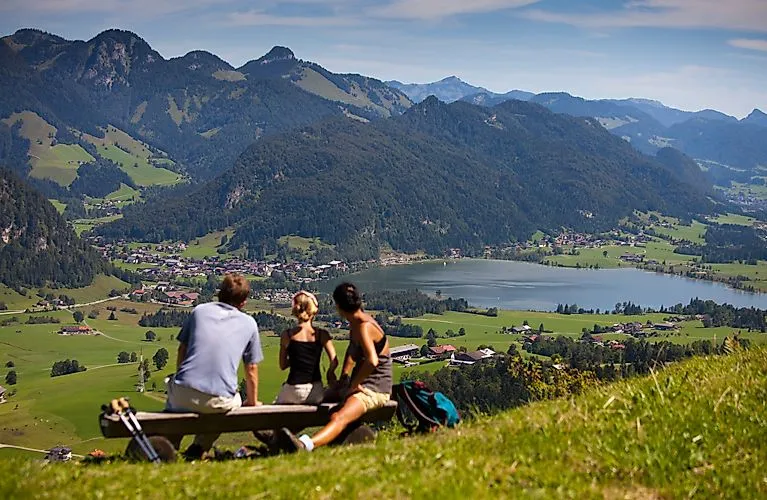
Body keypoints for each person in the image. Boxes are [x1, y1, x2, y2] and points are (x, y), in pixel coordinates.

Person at [278, 282, 392, 452]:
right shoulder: (357, 323)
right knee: (319, 399)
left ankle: (305, 445)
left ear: (339, 307)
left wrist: (354, 386)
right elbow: (352, 352)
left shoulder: (364, 327)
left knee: (339, 416)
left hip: (374, 389)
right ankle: (282, 438)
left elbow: (372, 361)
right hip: (362, 384)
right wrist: (344, 377)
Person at [166, 273, 263, 458]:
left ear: (220, 293)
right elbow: (251, 369)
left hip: (182, 393)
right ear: (243, 302)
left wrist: (182, 377)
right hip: (218, 399)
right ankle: (200, 446)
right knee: (231, 402)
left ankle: (170, 446)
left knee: (172, 384)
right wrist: (252, 402)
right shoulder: (249, 323)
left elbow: (182, 350)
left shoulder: (199, 311)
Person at [275, 290, 338, 404]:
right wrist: (330, 372)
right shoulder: (322, 335)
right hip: (315, 389)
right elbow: (334, 361)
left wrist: (296, 358)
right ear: (314, 310)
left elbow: (282, 365)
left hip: (293, 389)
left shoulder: (287, 335)